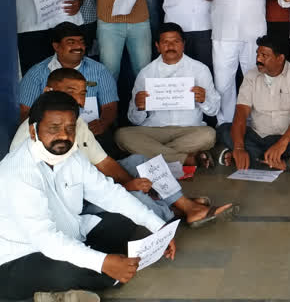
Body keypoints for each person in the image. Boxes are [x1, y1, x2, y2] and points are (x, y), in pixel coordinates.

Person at [0, 91, 176, 301]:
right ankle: (74, 283)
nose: (63, 136)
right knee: (68, 271)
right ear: (33, 131)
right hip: (21, 257)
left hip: (70, 235)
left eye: (70, 128)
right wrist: (103, 262)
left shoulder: (71, 156)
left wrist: (157, 227)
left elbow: (109, 193)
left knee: (122, 222)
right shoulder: (18, 172)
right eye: (53, 129)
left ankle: (79, 282)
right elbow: (46, 240)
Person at [12, 68, 235, 228]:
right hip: (71, 202)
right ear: (48, 91)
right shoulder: (37, 130)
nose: (79, 101)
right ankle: (170, 215)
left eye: (82, 93)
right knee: (133, 191)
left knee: (139, 161)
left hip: (89, 182)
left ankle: (183, 205)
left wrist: (128, 180)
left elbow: (104, 163)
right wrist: (127, 185)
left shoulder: (76, 122)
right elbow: (69, 190)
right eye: (71, 92)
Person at [115, 22, 220, 168]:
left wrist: (203, 100)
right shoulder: (146, 73)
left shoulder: (200, 70)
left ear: (183, 44)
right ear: (157, 46)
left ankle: (151, 154)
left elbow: (214, 110)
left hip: (189, 129)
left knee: (209, 135)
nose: (170, 46)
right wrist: (139, 107)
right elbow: (134, 120)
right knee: (122, 135)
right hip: (154, 130)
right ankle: (184, 159)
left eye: (175, 41)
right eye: (165, 42)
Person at [217, 35, 290, 173]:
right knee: (224, 130)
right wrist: (238, 148)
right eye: (258, 54)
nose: (258, 59)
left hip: (285, 138)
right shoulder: (251, 76)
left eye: (264, 55)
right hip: (257, 136)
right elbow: (241, 113)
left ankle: (253, 159)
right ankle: (281, 163)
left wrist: (281, 144)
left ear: (280, 58)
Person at [19, 22, 118, 153]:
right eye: (71, 42)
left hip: (91, 132)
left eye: (81, 42)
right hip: (52, 135)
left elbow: (110, 107)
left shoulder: (99, 70)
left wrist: (102, 124)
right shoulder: (36, 74)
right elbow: (25, 112)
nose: (78, 46)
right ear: (56, 46)